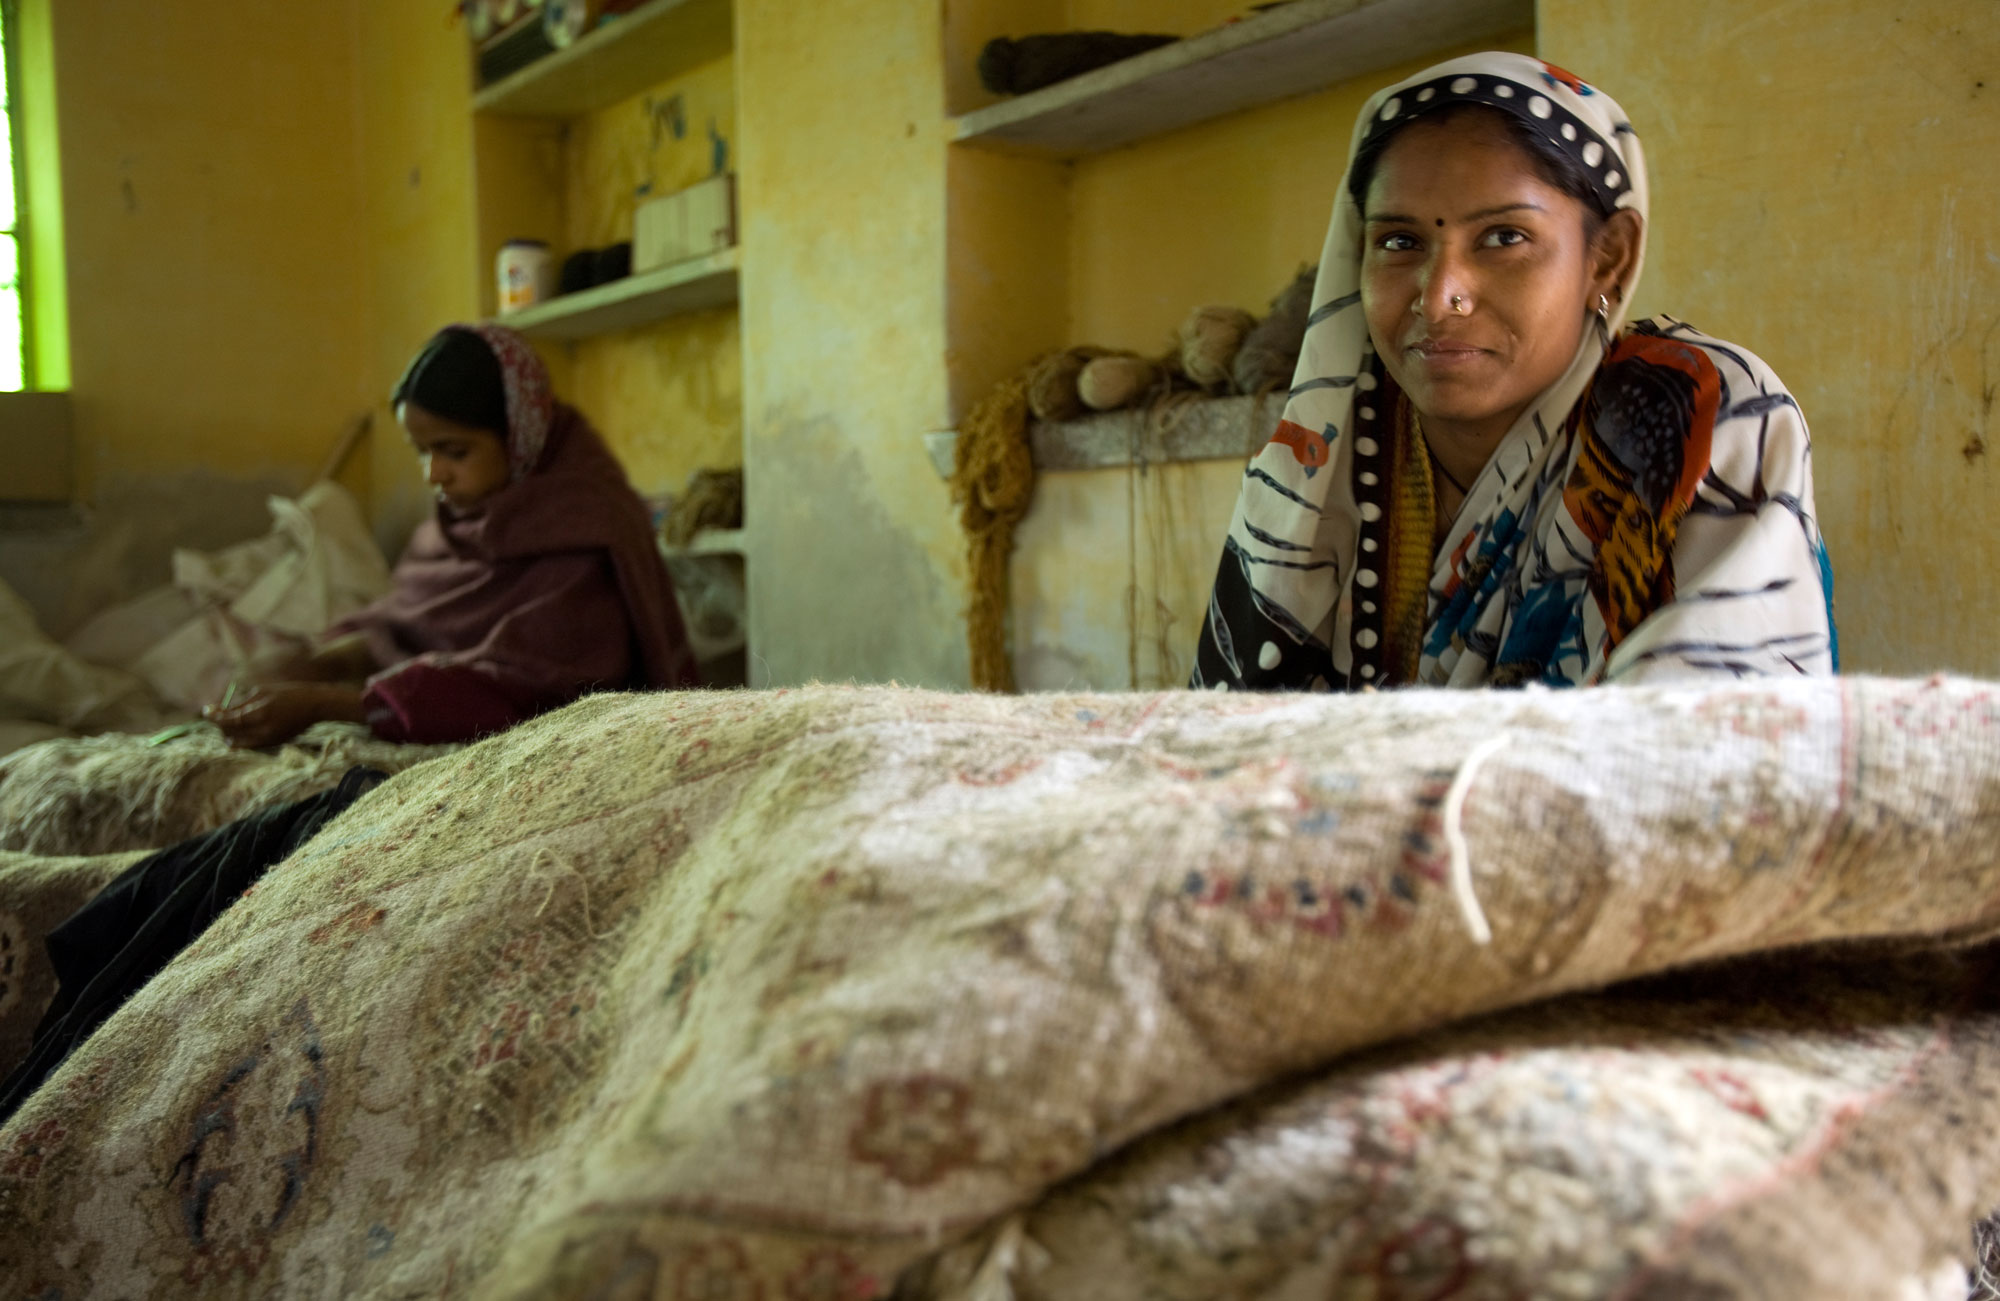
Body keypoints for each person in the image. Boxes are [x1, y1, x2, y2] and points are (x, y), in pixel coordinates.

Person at [1192, 52, 1836, 691]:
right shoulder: (1324, 463)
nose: (1439, 294)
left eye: (1503, 237)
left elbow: (1715, 749)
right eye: (1399, 242)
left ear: (1608, 258)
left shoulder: (1693, 415)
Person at [207, 324, 699, 747]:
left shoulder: (588, 530)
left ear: (519, 435)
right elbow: (404, 629)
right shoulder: (459, 525)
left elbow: (522, 689)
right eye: (421, 451)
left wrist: (326, 704)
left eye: (453, 451)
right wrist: (315, 664)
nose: (433, 475)